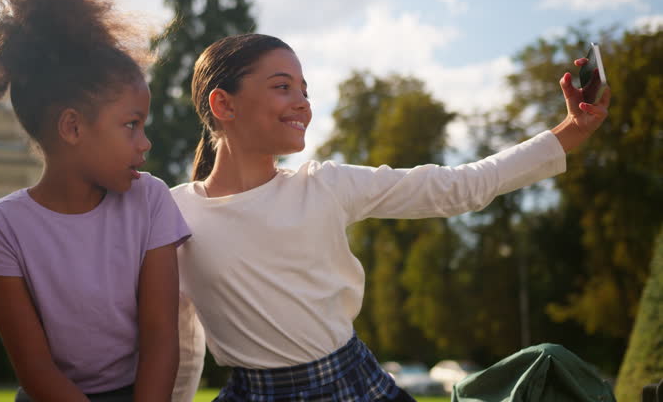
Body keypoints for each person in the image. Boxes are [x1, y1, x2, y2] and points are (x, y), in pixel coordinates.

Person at [169, 34, 610, 402]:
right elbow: (181, 340)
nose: (302, 102)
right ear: (224, 105)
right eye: (283, 87)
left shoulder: (325, 185)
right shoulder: (175, 213)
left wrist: (571, 129)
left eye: (305, 90)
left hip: (355, 387)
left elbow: (459, 186)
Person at [0, 0, 190, 402]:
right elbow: (36, 370)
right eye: (131, 125)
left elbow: (162, 338)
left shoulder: (152, 199)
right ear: (72, 127)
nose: (145, 144)